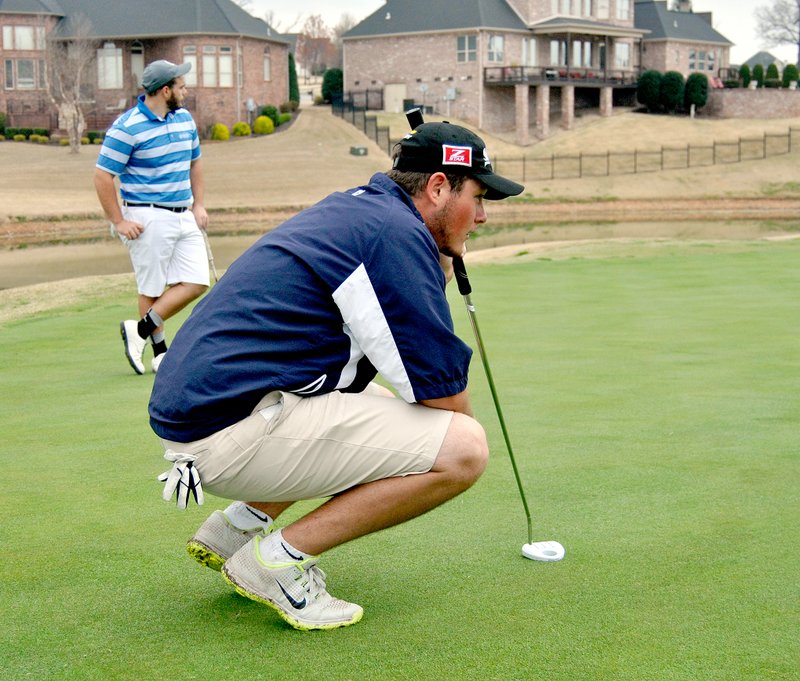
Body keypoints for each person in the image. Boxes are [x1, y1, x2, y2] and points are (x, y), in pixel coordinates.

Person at [149, 121, 524, 630]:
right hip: (229, 432)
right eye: (477, 197)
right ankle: (278, 564)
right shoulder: (391, 235)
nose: (480, 217)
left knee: (357, 396)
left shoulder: (362, 209)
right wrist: (454, 447)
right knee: (464, 449)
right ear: (438, 186)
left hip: (212, 417)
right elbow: (441, 396)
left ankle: (232, 530)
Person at [94, 59, 209, 375]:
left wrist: (199, 204)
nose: (186, 91)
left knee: (198, 281)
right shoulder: (127, 127)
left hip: (183, 213)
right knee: (152, 288)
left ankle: (139, 331)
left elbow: (195, 163)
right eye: (181, 86)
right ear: (166, 90)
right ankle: (160, 353)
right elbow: (103, 176)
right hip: (146, 216)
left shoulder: (184, 119)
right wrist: (118, 221)